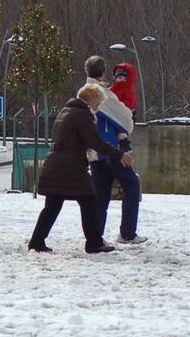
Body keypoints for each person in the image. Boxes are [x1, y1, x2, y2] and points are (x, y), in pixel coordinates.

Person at [27, 84, 126, 254]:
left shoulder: (66, 111)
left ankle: (36, 241)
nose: (98, 106)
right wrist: (119, 154)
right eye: (98, 102)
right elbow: (95, 142)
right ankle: (94, 243)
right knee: (89, 201)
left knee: (52, 206)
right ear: (92, 99)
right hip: (70, 168)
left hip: (55, 165)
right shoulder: (81, 115)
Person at [87, 56, 145, 245]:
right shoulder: (101, 93)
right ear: (103, 72)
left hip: (94, 151)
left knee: (101, 194)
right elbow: (124, 117)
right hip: (110, 149)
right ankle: (127, 233)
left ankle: (96, 235)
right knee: (132, 184)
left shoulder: (84, 91)